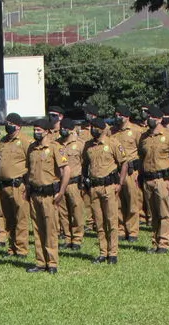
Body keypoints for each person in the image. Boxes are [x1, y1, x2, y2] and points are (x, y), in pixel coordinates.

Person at [25, 118, 71, 274]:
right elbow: (28, 171)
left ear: (47, 131)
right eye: (34, 129)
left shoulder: (55, 147)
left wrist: (61, 191)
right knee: (37, 229)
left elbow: (66, 171)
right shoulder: (31, 148)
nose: (35, 132)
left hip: (50, 195)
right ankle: (40, 262)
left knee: (50, 229)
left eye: (39, 130)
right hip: (34, 194)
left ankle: (52, 262)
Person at [83, 117, 128, 264]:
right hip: (94, 187)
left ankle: (113, 253)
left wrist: (120, 183)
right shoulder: (88, 146)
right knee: (99, 221)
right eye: (91, 127)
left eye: (94, 127)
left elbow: (124, 163)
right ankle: (103, 252)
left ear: (102, 129)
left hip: (109, 186)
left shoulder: (113, 143)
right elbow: (85, 164)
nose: (92, 129)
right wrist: (85, 180)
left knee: (111, 220)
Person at [138, 106, 169, 254]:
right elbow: (141, 157)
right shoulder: (144, 137)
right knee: (153, 214)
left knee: (164, 212)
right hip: (148, 179)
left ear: (158, 119)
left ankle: (164, 243)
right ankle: (155, 241)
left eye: (151, 116)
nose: (148, 119)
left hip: (163, 179)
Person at [0, 113, 31, 258]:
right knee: (8, 219)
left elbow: (31, 164)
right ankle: (12, 248)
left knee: (20, 219)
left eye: (10, 123)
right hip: (4, 186)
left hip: (19, 186)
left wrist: (28, 186)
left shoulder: (25, 141)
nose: (7, 125)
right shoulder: (3, 141)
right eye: (6, 122)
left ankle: (21, 250)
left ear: (18, 125)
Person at [111, 105, 143, 242]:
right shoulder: (112, 131)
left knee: (132, 201)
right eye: (116, 115)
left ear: (127, 117)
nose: (118, 118)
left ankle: (133, 231)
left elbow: (142, 152)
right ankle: (120, 229)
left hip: (131, 172)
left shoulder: (136, 131)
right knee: (117, 201)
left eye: (121, 115)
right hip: (116, 171)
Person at [57, 118, 85, 250]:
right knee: (63, 212)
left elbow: (85, 163)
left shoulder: (80, 144)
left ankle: (77, 238)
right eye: (62, 127)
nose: (63, 130)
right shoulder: (56, 144)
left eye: (66, 128)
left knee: (77, 211)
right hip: (60, 183)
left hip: (74, 183)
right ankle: (67, 238)